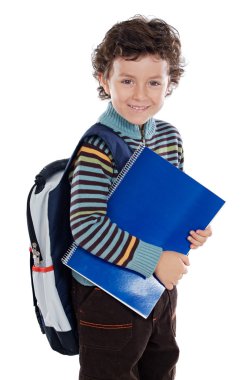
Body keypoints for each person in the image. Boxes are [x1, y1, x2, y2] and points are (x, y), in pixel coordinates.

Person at [70, 15, 212, 380]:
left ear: (170, 83)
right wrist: (153, 261)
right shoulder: (98, 146)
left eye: (153, 82)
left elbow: (170, 206)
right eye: (127, 81)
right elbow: (86, 227)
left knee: (161, 368)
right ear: (104, 80)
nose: (140, 95)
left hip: (159, 290)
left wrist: (192, 229)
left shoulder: (169, 137)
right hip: (108, 293)